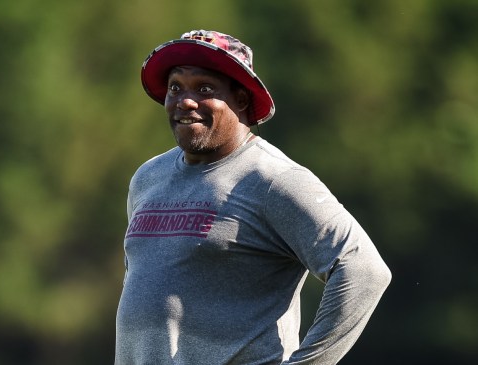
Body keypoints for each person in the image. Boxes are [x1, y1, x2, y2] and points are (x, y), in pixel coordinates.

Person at [115, 30, 391, 365]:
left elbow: (364, 269)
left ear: (242, 100)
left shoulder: (274, 180)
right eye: (176, 87)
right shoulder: (148, 178)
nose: (185, 101)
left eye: (204, 88)